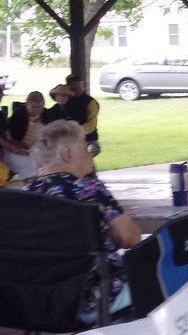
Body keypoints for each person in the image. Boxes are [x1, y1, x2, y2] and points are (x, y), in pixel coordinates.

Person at [24, 120, 141, 323]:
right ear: (68, 154)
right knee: (166, 276)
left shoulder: (25, 196)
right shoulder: (91, 190)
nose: (90, 153)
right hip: (92, 299)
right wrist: (121, 224)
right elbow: (132, 239)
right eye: (86, 147)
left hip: (38, 303)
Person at [2, 91, 45, 179]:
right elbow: (9, 138)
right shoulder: (19, 115)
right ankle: (29, 187)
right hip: (12, 149)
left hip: (35, 149)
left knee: (41, 162)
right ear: (27, 104)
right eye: (33, 107)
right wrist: (19, 149)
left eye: (39, 107)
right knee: (29, 163)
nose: (36, 110)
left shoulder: (47, 114)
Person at [65, 74, 101, 157]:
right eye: (73, 85)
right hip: (72, 141)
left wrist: (74, 131)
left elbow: (91, 125)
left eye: (78, 84)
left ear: (82, 85)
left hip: (88, 141)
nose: (76, 87)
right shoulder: (67, 101)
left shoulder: (90, 102)